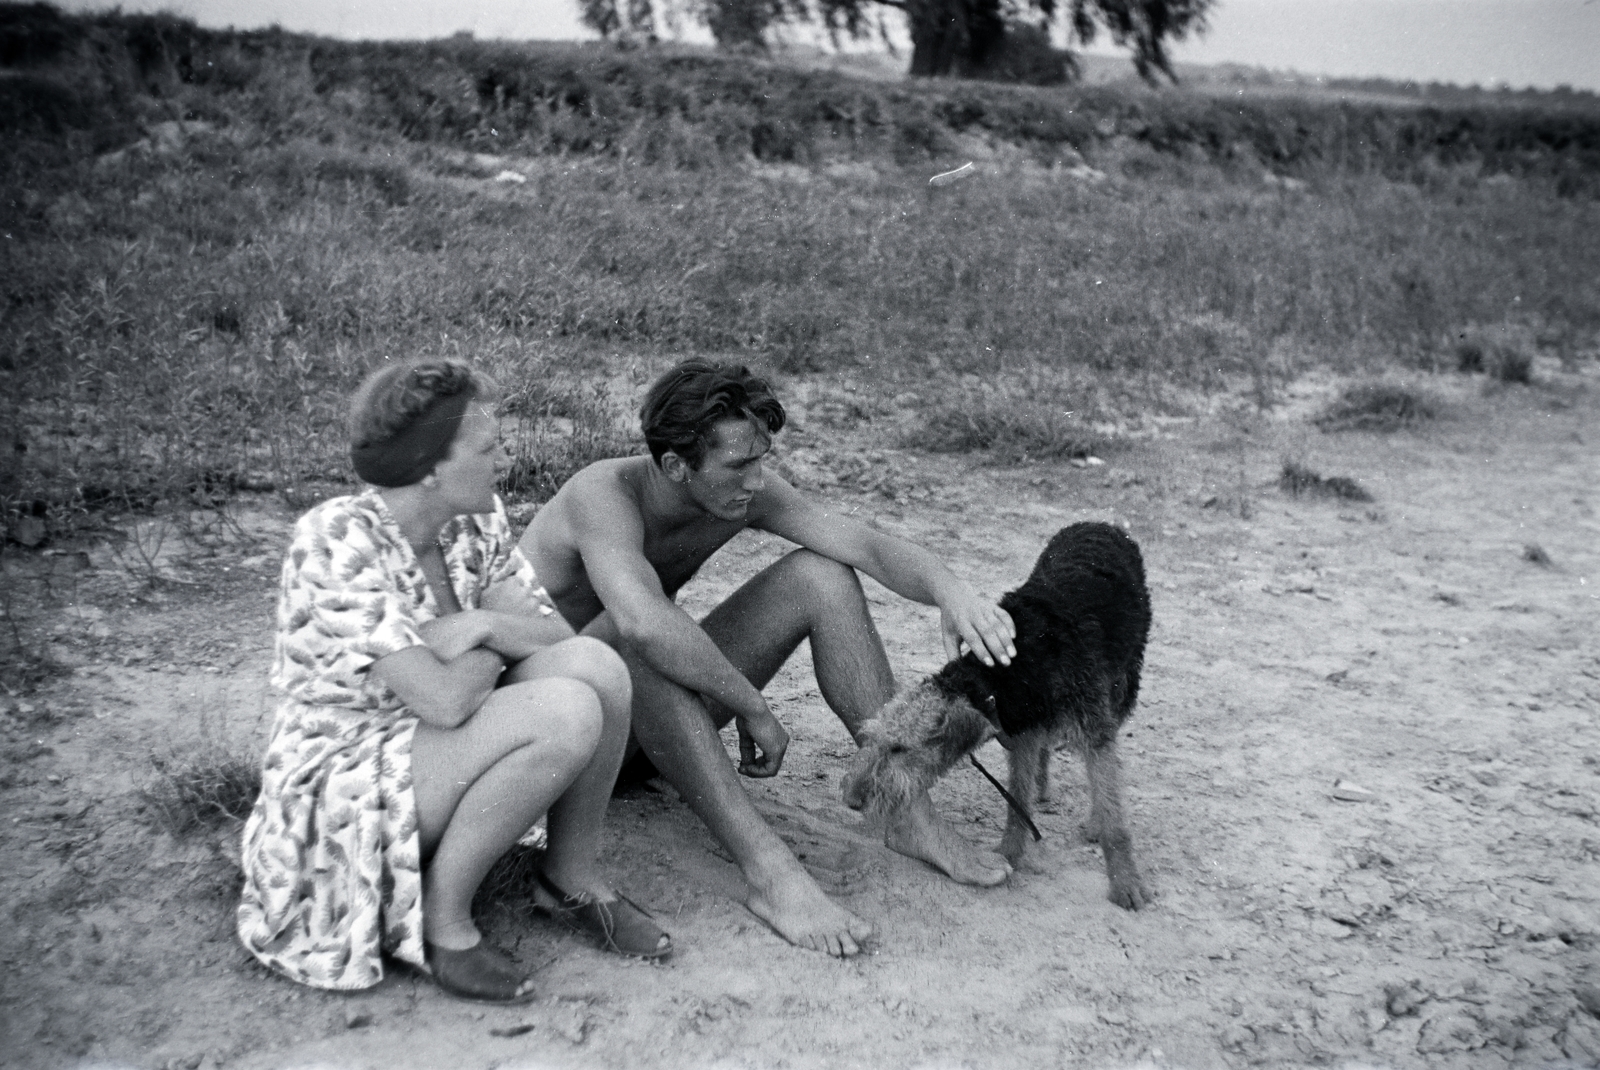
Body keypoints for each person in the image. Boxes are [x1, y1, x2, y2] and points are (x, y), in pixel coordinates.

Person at [518, 359, 1018, 958]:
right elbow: (644, 625)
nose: (757, 481)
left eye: (762, 459)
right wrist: (749, 705)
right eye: (739, 465)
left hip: (644, 733)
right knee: (632, 633)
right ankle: (770, 874)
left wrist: (951, 590)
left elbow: (861, 543)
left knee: (822, 575)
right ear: (676, 466)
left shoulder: (738, 490)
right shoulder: (602, 496)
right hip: (562, 748)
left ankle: (904, 806)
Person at [237, 359, 669, 1006]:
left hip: (428, 744)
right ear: (431, 465)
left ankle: (568, 880)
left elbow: (556, 640)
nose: (504, 457)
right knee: (565, 712)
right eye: (488, 446)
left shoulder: (474, 521)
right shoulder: (332, 541)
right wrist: (497, 638)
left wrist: (475, 625)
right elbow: (443, 700)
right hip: (347, 775)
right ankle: (444, 922)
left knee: (599, 670)